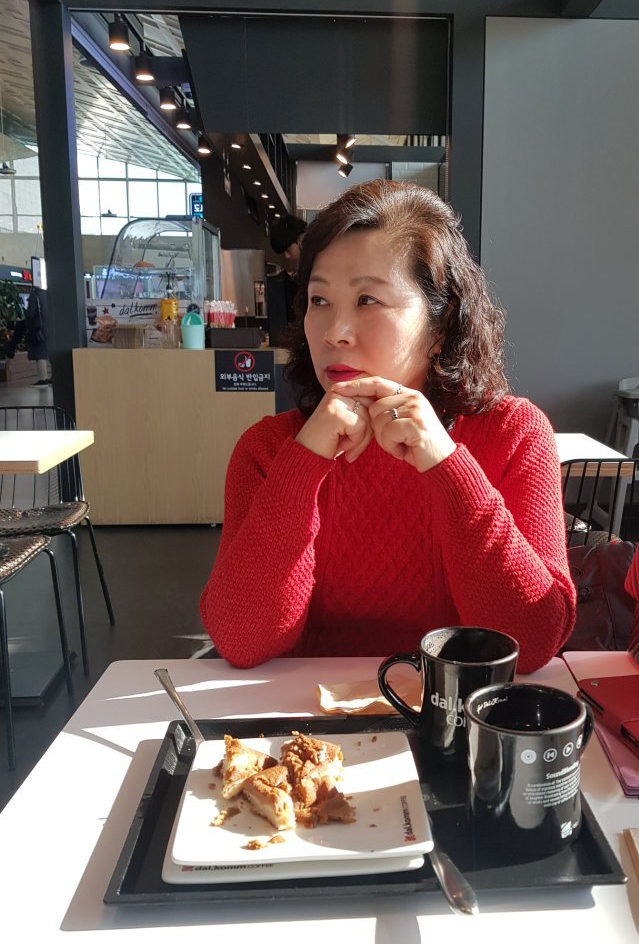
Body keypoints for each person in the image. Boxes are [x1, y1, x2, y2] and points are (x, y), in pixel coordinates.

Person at [200, 180, 575, 674]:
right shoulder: (269, 448)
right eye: (318, 300)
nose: (334, 332)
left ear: (441, 326)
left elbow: (531, 642)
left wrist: (448, 467)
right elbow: (240, 640)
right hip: (307, 716)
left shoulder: (514, 434)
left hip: (455, 712)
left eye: (368, 300)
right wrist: (303, 465)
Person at [266, 214, 307, 345]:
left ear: (301, 239)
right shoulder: (285, 280)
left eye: (288, 250)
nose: (287, 256)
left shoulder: (317, 274)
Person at [8, 284, 51, 385]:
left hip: (38, 329)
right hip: (49, 328)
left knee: (39, 354)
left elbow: (30, 313)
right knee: (48, 353)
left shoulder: (35, 295)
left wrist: (26, 324)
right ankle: (52, 379)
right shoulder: (48, 294)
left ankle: (43, 379)